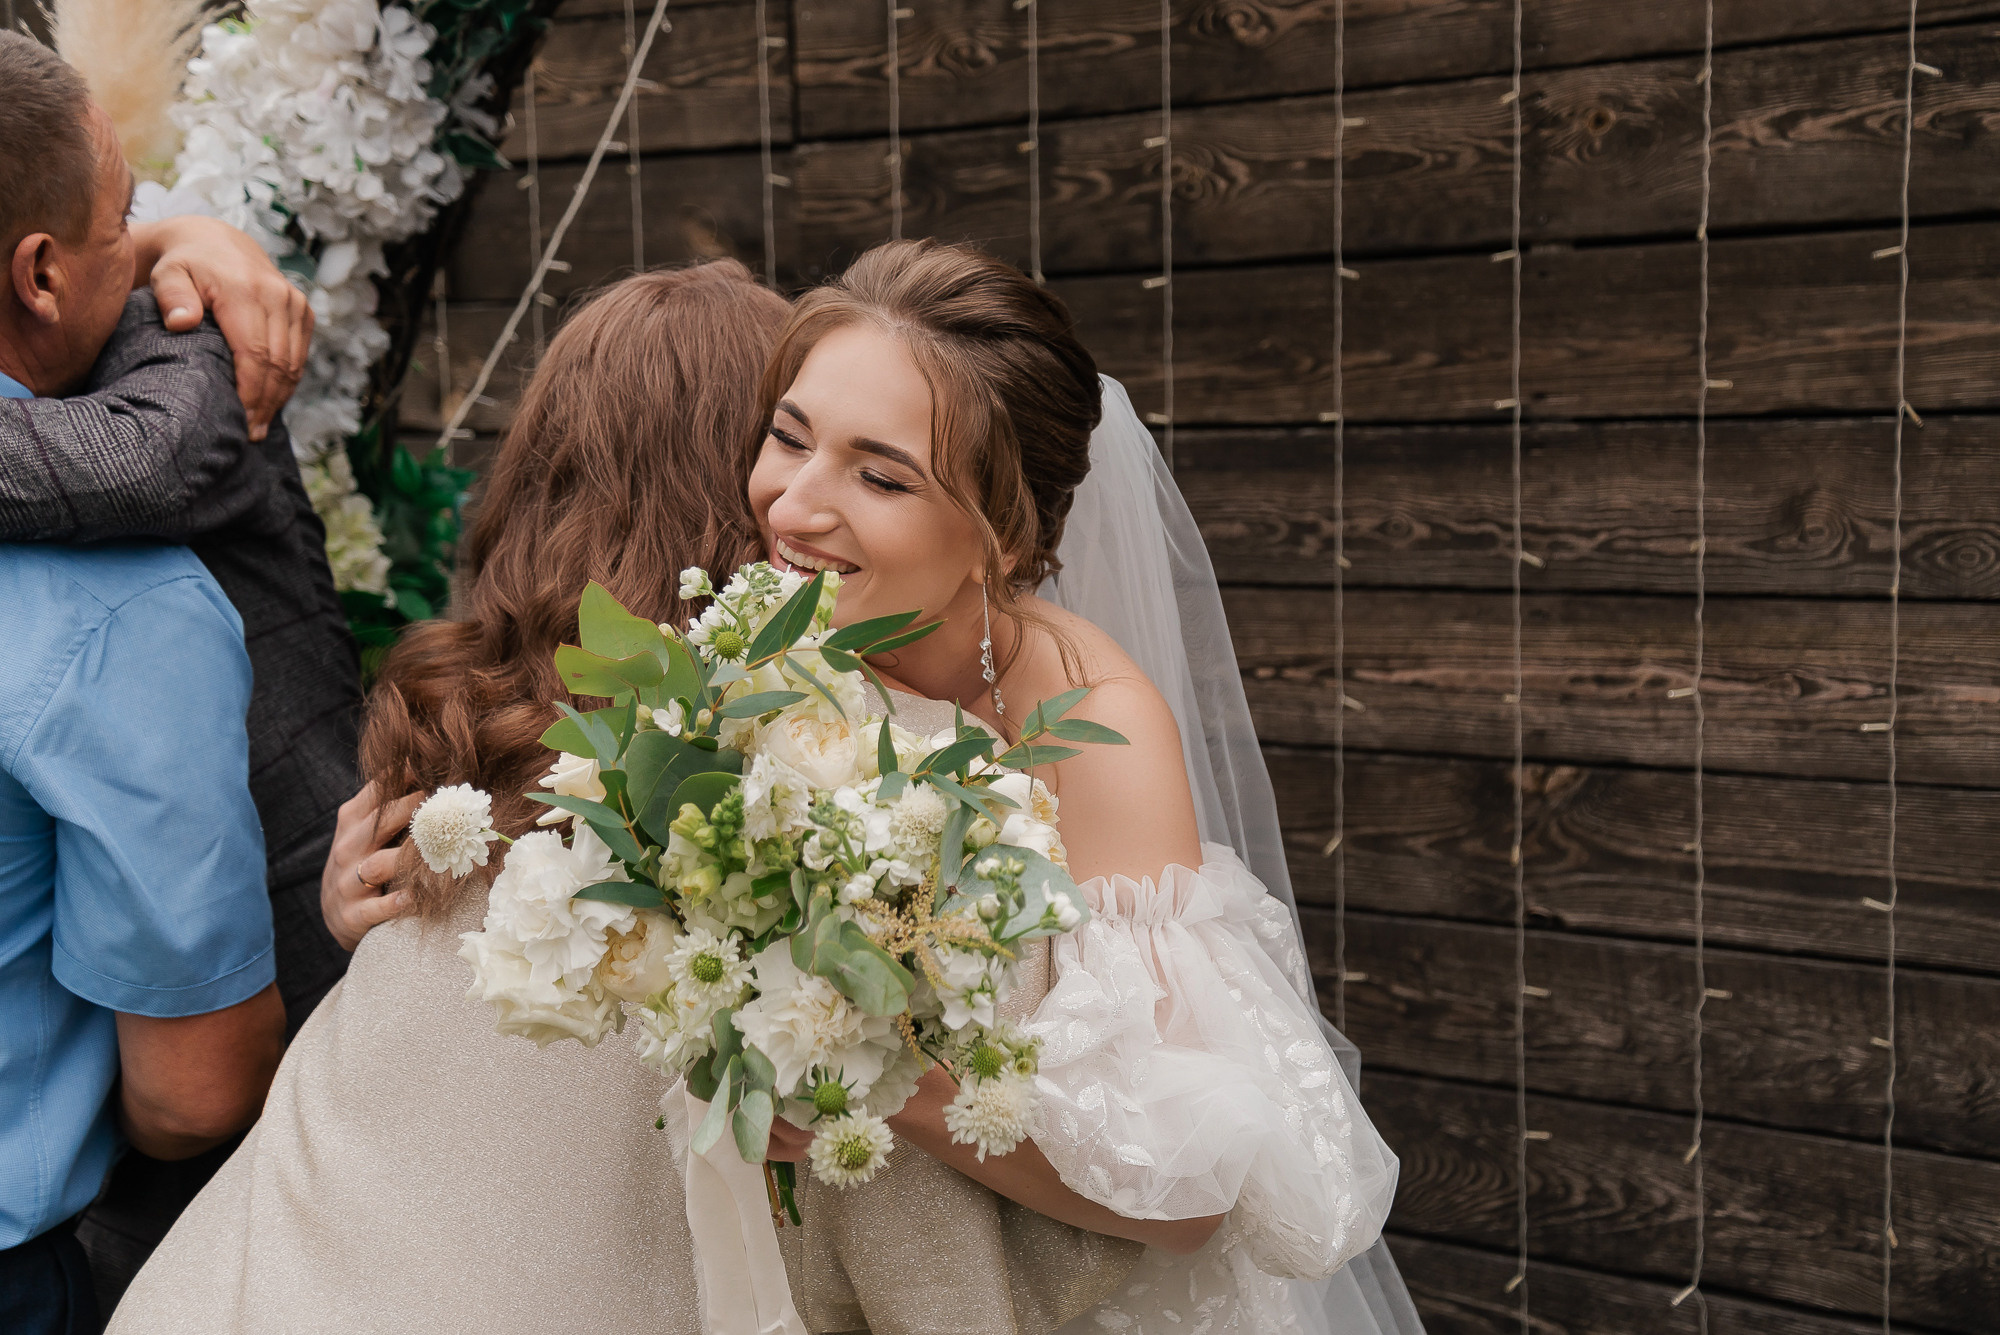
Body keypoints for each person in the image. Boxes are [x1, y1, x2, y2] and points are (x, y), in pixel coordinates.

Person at [119, 248, 1422, 1333]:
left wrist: (867, 1063)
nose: (794, 504)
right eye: (785, 438)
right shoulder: (731, 668)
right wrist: (400, 907)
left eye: (881, 471)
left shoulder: (1081, 729)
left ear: (1010, 538)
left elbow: (1194, 1176)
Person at [0, 30, 350, 1311]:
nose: (142, 250)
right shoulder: (116, 603)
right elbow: (194, 1094)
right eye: (123, 220)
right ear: (39, 274)